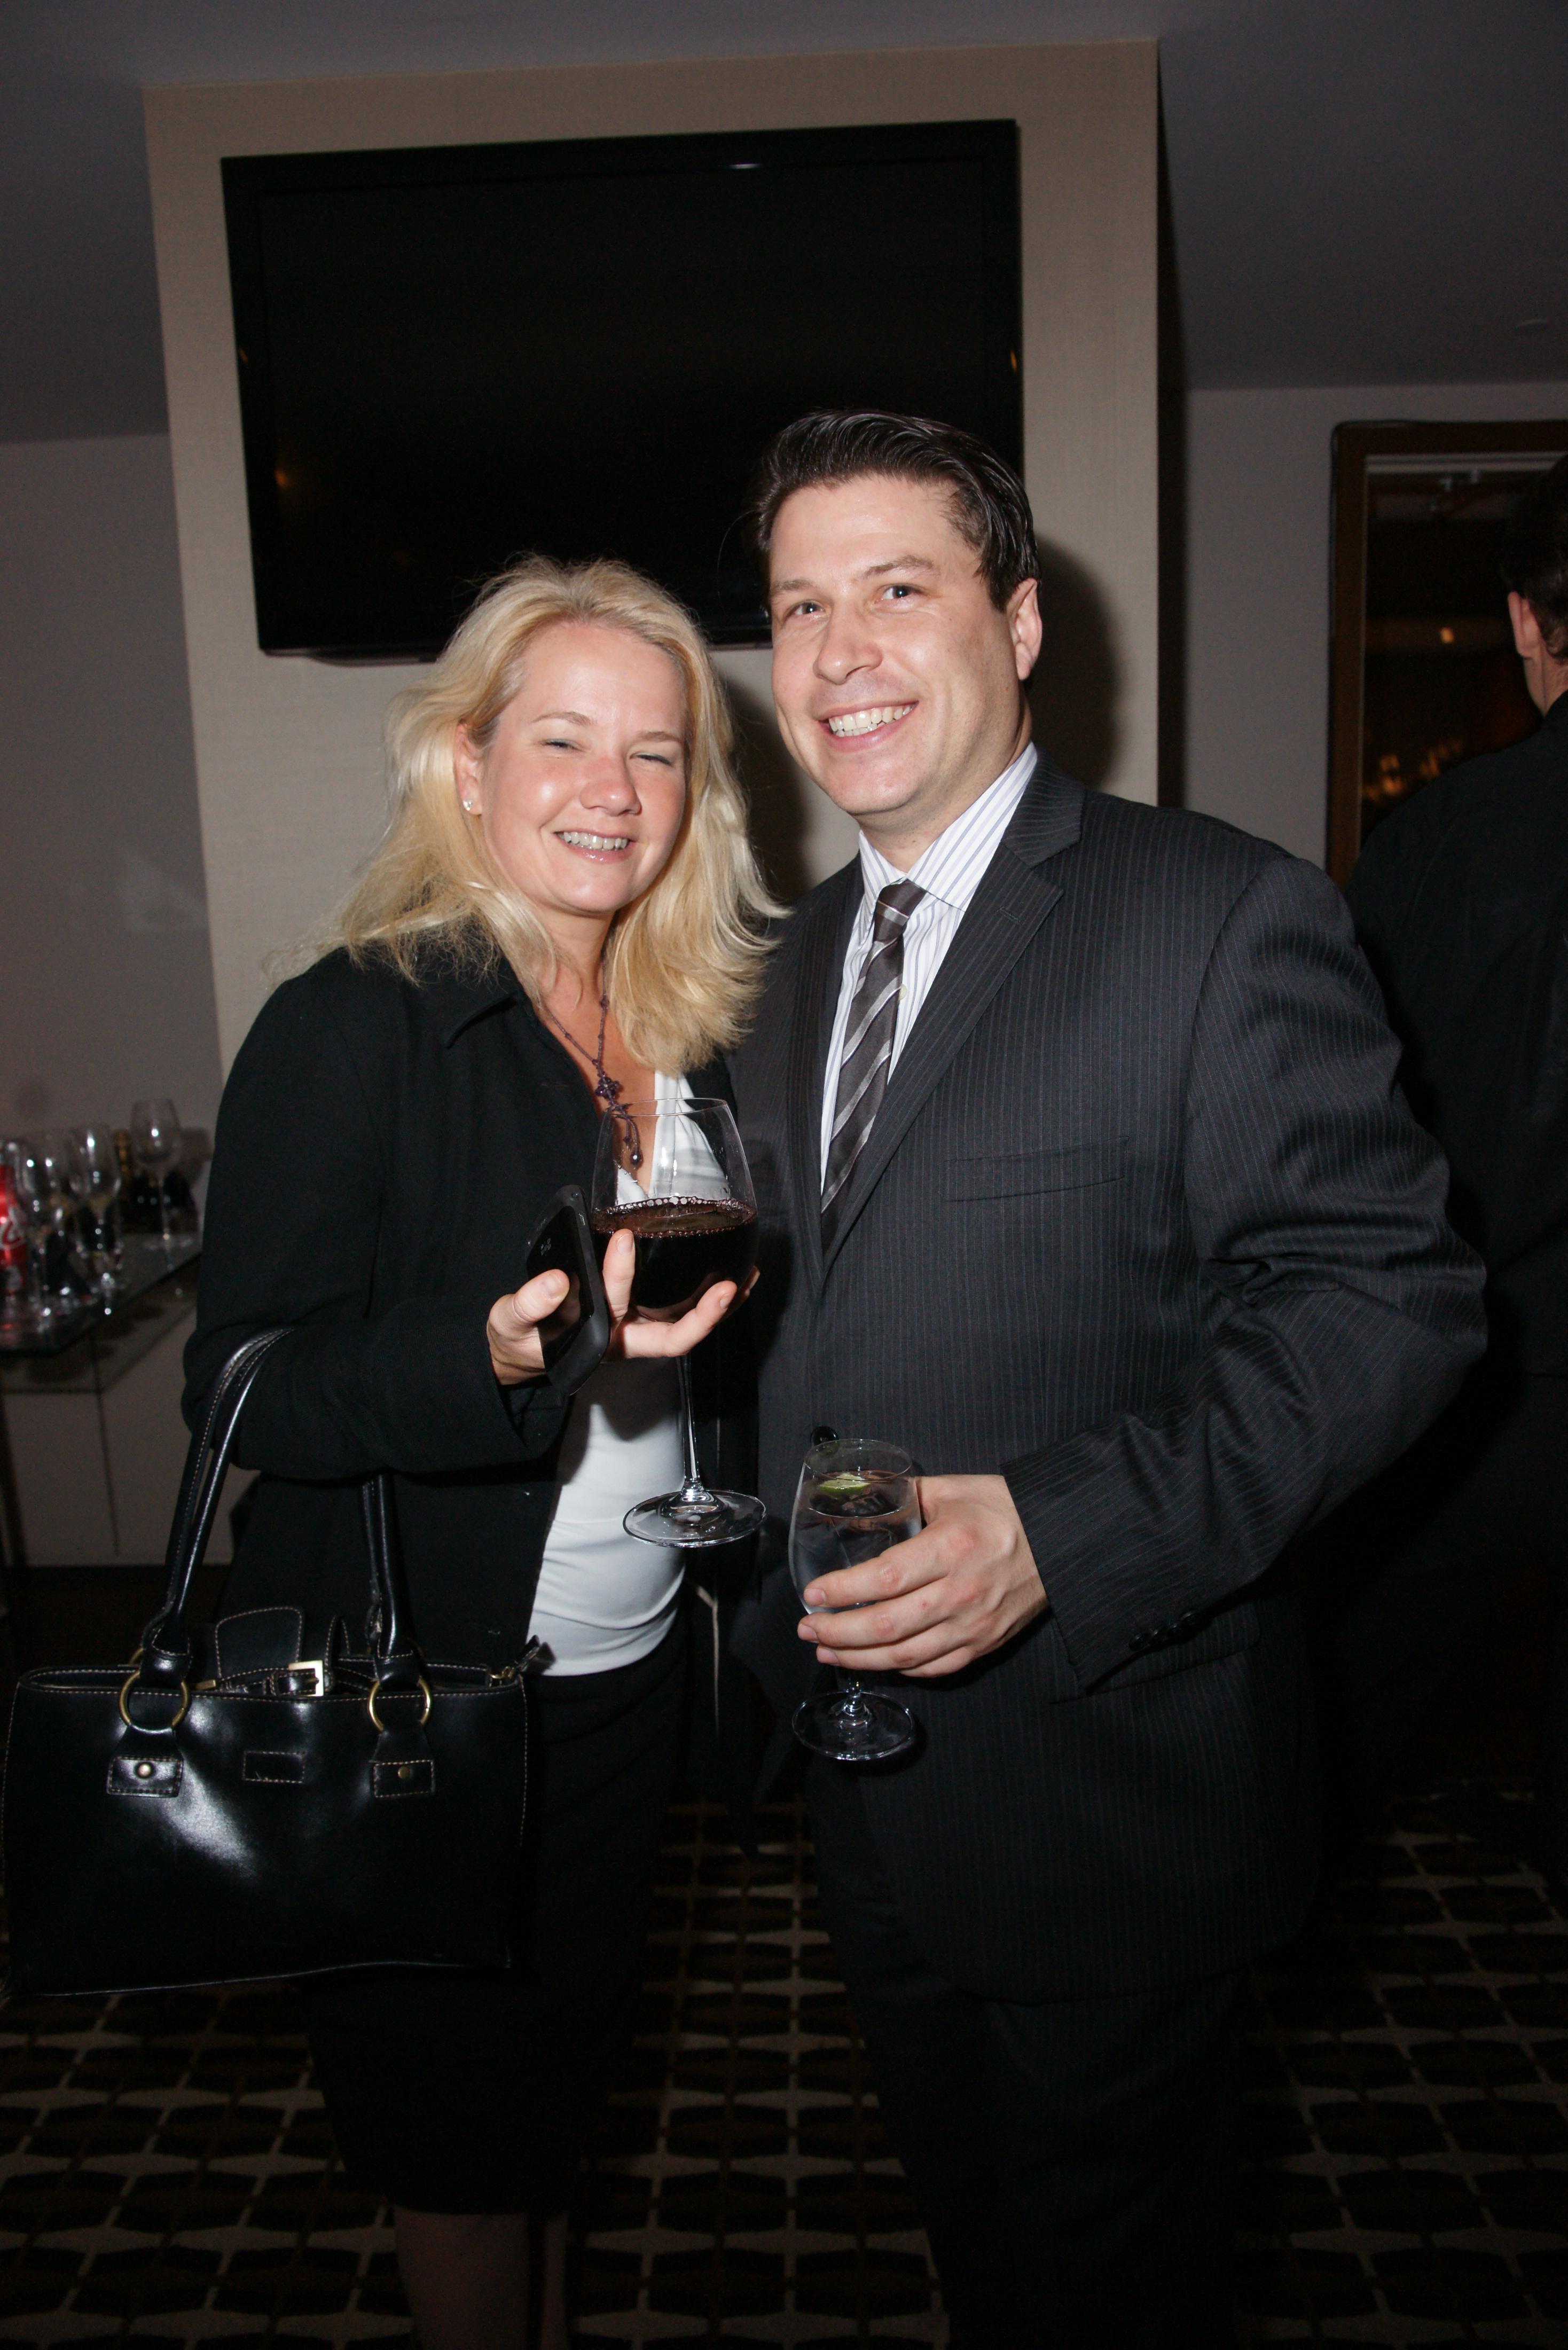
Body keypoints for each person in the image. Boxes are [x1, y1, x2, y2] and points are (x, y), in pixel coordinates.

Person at [726, 410, 1488, 2346]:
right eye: (799, 607)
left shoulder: (1219, 916)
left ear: (1021, 622)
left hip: (1109, 1783)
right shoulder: (779, 971)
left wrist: (1064, 1536)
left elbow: (1389, 1303)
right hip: (859, 1775)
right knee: (978, 2249)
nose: (839, 652)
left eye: (898, 588)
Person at [184, 557, 775, 2350]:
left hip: (628, 1677)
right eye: (564, 739)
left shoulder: (690, 1034)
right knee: (454, 2146)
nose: (614, 788)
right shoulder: (358, 1022)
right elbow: (239, 1386)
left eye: (656, 751)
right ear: (468, 763)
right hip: (419, 1701)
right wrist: (485, 1354)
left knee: (559, 2106)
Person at [1321, 454, 1568, 1873]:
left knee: (1336, 1708)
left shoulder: (1439, 841)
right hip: (1493, 1371)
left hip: (1482, 1383)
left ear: (1528, 622)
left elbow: (1346, 1139)